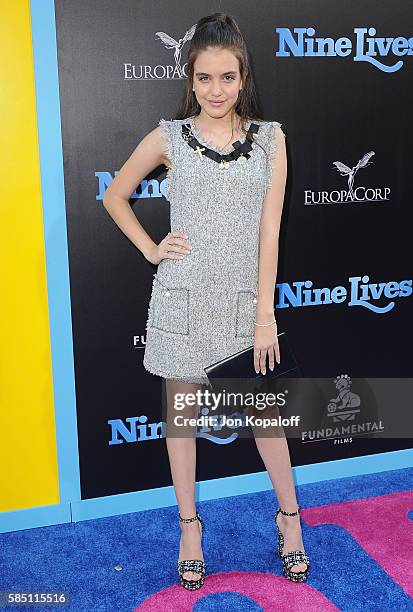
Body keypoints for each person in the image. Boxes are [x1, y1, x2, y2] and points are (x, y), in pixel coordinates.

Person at [103, 12, 310, 590]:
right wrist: (151, 249)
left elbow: (271, 231)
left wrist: (264, 314)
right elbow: (116, 195)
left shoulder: (272, 139)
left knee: (267, 420)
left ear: (242, 77)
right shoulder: (169, 137)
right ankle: (190, 528)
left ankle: (290, 520)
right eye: (204, 79)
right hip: (183, 300)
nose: (215, 91)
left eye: (226, 77)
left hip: (246, 304)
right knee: (182, 421)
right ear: (190, 80)